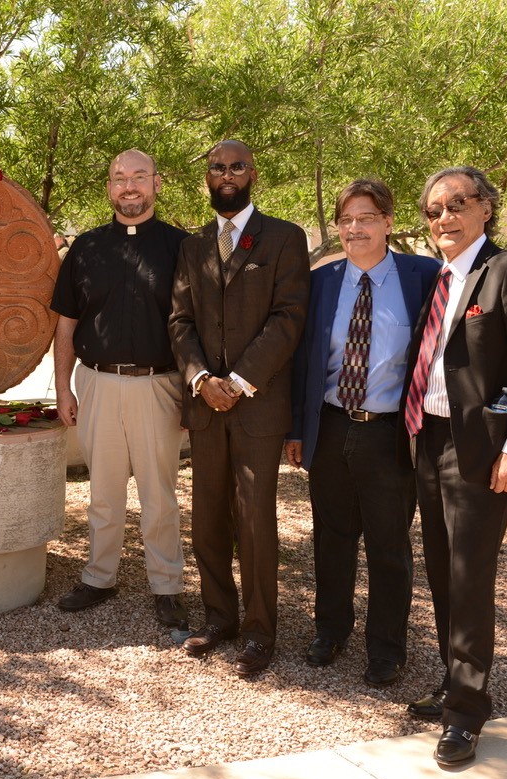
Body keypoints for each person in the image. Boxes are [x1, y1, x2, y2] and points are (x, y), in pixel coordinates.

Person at [402, 166, 507, 768]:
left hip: (482, 450)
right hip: (429, 438)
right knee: (442, 571)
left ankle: (466, 713)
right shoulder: (441, 277)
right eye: (434, 210)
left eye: (457, 204)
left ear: (486, 208)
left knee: (469, 576)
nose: (445, 217)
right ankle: (452, 679)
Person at [284, 179, 441, 686]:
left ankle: (387, 648)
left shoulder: (424, 276)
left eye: (367, 217)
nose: (355, 228)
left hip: (390, 434)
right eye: (346, 219)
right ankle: (330, 631)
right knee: (331, 537)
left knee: (388, 545)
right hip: (331, 425)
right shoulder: (321, 282)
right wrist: (296, 429)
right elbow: (302, 362)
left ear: (389, 222)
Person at [169, 139, 310, 675]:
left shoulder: (284, 238)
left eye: (235, 167)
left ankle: (258, 632)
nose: (225, 174)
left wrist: (238, 380)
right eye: (216, 168)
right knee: (207, 518)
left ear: (253, 174)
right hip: (205, 406)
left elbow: (288, 318)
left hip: (258, 406)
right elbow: (180, 321)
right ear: (207, 177)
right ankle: (219, 618)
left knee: (254, 521)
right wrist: (201, 379)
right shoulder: (193, 246)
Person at [50, 149, 190, 629]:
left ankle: (167, 585)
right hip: (97, 383)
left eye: (138, 177)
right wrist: (63, 388)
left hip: (160, 386)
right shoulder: (85, 248)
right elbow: (66, 323)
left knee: (160, 496)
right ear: (109, 187)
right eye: (119, 178)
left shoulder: (182, 248)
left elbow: (197, 326)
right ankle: (98, 577)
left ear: (156, 183)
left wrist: (192, 393)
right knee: (103, 493)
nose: (129, 186)